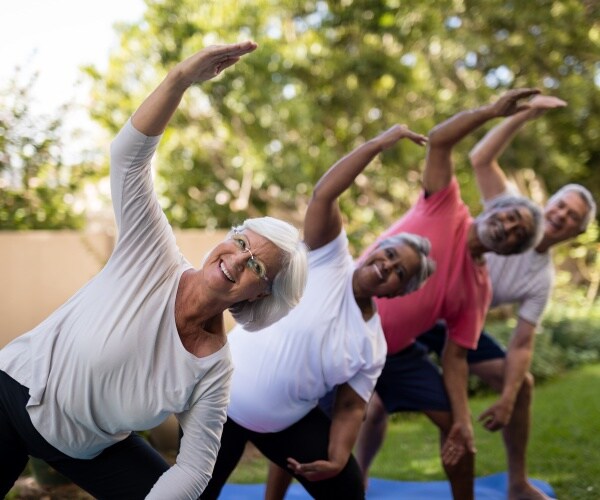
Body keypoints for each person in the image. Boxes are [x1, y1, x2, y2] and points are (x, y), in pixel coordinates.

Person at [0, 41, 310, 499]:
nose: (237, 258)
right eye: (241, 242)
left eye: (257, 265)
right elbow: (128, 159)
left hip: (88, 449)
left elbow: (194, 468)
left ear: (260, 295)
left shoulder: (213, 368)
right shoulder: (153, 255)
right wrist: (179, 79)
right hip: (14, 399)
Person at [200, 124, 436, 500]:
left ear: (399, 291)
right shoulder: (328, 257)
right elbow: (325, 193)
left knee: (347, 491)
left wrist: (339, 458)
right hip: (218, 402)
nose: (388, 267)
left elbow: (349, 407)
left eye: (400, 274)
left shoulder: (372, 344)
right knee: (190, 493)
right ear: (378, 248)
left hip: (284, 425)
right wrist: (377, 144)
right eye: (390, 255)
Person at [354, 89, 545, 500]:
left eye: (516, 234)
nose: (508, 227)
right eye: (509, 217)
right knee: (313, 421)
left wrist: (463, 421)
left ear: (508, 250)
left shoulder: (478, 288)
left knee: (455, 427)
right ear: (492, 210)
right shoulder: (445, 205)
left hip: (396, 353)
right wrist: (493, 111)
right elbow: (441, 139)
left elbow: (456, 358)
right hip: (343, 329)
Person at [417, 94, 596, 500]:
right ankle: (361, 479)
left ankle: (518, 482)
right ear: (549, 202)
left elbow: (523, 343)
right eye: (561, 205)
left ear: (576, 233)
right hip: (419, 308)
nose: (562, 216)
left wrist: (508, 398)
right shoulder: (512, 209)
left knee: (525, 384)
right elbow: (481, 157)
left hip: (461, 326)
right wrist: (526, 113)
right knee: (373, 406)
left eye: (572, 218)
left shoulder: (542, 279)